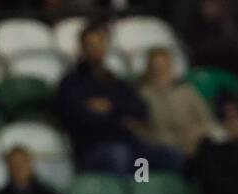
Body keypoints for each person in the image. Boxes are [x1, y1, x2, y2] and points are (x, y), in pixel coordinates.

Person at [56, 20, 181, 176]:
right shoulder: (71, 83)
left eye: (100, 43)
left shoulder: (114, 81)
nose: (97, 49)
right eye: (91, 44)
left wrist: (111, 107)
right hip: (92, 150)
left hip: (128, 144)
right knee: (120, 155)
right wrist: (119, 117)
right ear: (82, 48)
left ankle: (145, 192)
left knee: (168, 156)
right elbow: (78, 118)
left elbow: (141, 110)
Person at [137, 47, 216, 159]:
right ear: (149, 68)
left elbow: (207, 120)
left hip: (195, 142)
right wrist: (173, 141)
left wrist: (193, 136)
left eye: (163, 65)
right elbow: (143, 130)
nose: (160, 69)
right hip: (165, 146)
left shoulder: (187, 91)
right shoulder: (143, 95)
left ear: (170, 66)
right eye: (156, 66)